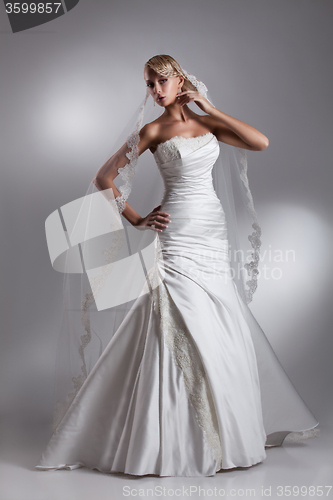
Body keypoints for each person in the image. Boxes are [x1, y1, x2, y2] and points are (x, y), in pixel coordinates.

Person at [36, 54, 319, 477]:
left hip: (212, 230)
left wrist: (210, 108)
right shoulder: (152, 131)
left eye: (161, 81)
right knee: (170, 312)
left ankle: (226, 431)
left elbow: (259, 142)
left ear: (179, 79)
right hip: (177, 230)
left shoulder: (209, 125)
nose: (154, 90)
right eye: (149, 84)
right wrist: (136, 218)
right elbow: (103, 177)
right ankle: (165, 433)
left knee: (221, 317)